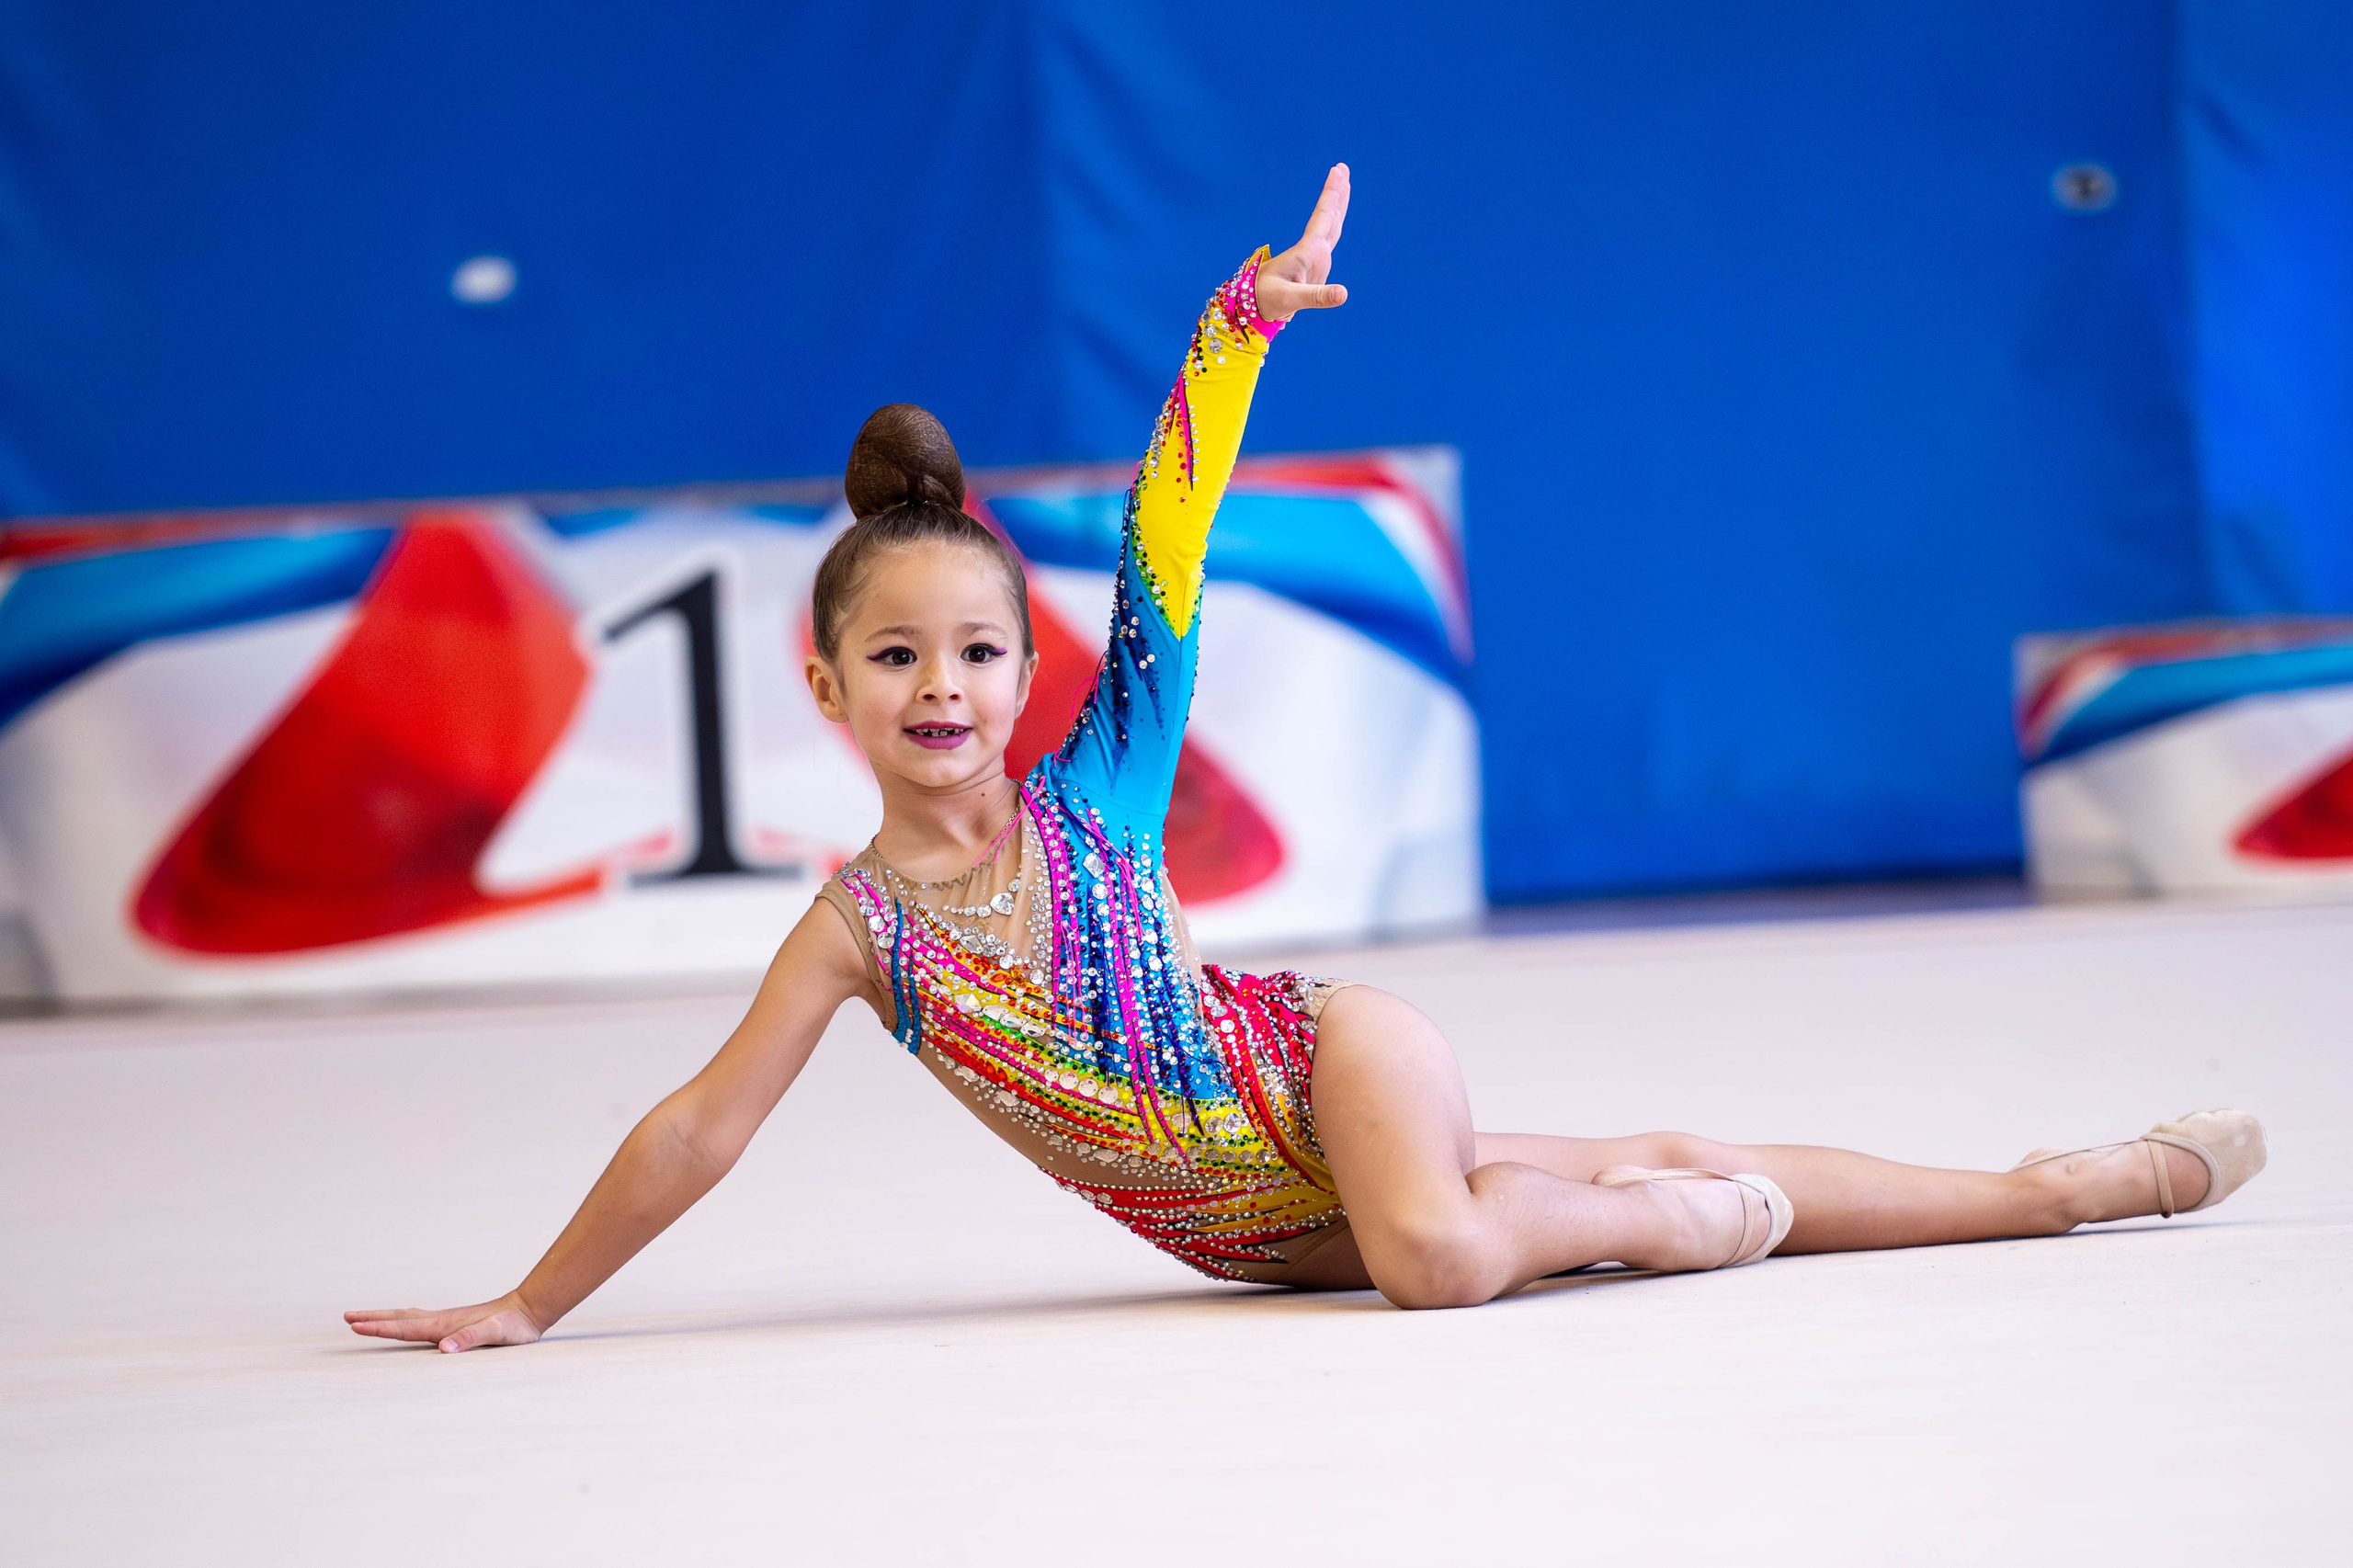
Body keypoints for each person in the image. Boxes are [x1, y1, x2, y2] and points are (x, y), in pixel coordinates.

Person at [347, 166, 2266, 1350]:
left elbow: (1159, 545)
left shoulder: (1093, 786)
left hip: (1328, 1060)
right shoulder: (855, 934)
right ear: (829, 683)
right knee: (1545, 1188)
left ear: (1026, 672)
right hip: (1267, 1233)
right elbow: (703, 1122)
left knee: (1460, 1251)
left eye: (977, 650)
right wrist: (530, 1296)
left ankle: (1695, 1221)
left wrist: (1232, 333)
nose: (943, 684)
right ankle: (2076, 1183)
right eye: (897, 656)